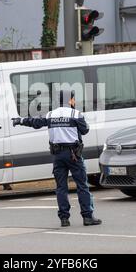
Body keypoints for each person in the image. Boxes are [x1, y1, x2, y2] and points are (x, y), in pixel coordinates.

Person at [12, 90, 102, 227]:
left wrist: (21, 121)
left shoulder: (51, 114)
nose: (74, 101)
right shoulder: (75, 114)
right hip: (74, 155)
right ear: (70, 100)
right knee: (82, 186)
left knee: (61, 187)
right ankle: (87, 217)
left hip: (58, 156)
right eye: (73, 99)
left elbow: (35, 122)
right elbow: (85, 130)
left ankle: (64, 219)